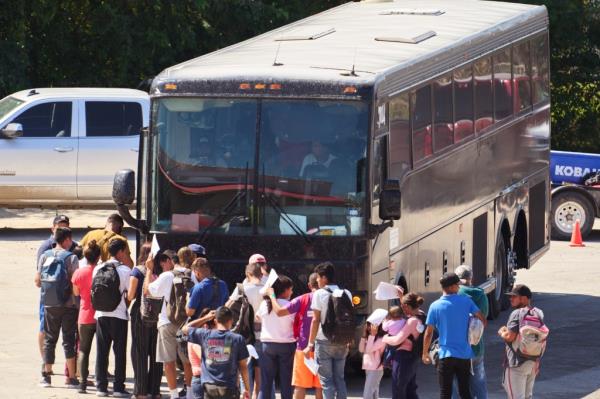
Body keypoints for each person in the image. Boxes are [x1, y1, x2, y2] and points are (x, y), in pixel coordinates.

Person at [422, 272, 487, 399]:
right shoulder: (466, 302)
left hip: (445, 356)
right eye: (457, 285)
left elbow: (429, 332)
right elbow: (483, 321)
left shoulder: (434, 306)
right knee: (465, 392)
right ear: (451, 287)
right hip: (464, 355)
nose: (459, 288)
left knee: (445, 393)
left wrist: (424, 353)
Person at [264, 273, 322, 399]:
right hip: (323, 347)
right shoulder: (328, 297)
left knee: (300, 385)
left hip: (304, 348)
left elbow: (279, 312)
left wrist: (271, 295)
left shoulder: (302, 299)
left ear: (309, 285)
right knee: (320, 386)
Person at [144, 252, 193, 399]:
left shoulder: (166, 276)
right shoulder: (191, 275)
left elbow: (148, 291)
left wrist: (148, 270)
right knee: (187, 362)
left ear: (170, 261)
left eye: (163, 263)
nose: (162, 266)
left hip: (166, 322)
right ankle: (190, 394)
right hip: (186, 323)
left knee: (169, 361)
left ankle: (173, 395)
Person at [35, 226, 80, 388]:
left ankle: (46, 376)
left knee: (49, 339)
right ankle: (72, 378)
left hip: (49, 304)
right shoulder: (71, 258)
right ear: (67, 239)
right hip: (68, 305)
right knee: (68, 340)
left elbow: (38, 281)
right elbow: (75, 284)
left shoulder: (45, 256)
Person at [305, 262, 353, 399]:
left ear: (324, 277)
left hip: (323, 340)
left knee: (327, 381)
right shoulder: (347, 293)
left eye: (318, 278)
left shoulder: (319, 294)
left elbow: (315, 320)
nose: (317, 280)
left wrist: (310, 344)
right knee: (340, 379)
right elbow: (349, 318)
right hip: (342, 341)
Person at [182, 306, 251, 399]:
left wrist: (205, 318)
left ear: (215, 321)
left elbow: (185, 329)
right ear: (231, 321)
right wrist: (246, 388)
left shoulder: (204, 334)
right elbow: (243, 367)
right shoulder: (238, 339)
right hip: (229, 387)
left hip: (209, 387)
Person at [93, 238, 132, 397]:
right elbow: (130, 294)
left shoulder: (98, 268)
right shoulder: (125, 270)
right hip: (119, 315)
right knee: (119, 352)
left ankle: (101, 387)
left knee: (101, 351)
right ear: (121, 251)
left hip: (101, 314)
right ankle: (118, 388)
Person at [129, 243, 163, 399]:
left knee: (140, 352)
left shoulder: (138, 271)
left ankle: (141, 392)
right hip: (158, 314)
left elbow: (130, 295)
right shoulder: (161, 272)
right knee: (156, 352)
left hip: (140, 313)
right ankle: (155, 390)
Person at [226, 263, 265, 399]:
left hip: (244, 334)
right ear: (261, 274)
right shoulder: (266, 289)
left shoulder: (242, 289)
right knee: (260, 371)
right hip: (263, 334)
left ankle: (246, 395)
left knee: (244, 371)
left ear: (248, 274)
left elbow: (227, 307)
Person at [498, 284, 545, 399]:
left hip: (516, 363)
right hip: (532, 363)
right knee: (527, 397)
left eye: (514, 296)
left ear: (524, 298)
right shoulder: (538, 313)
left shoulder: (517, 313)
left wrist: (502, 332)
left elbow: (510, 337)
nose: (511, 299)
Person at [452, 265, 489, 399]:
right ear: (471, 278)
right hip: (476, 347)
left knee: (456, 386)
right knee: (479, 385)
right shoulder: (481, 295)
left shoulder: (454, 293)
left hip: (457, 349)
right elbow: (484, 317)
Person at [257, 276, 296, 399]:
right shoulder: (290, 305)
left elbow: (258, 317)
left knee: (266, 382)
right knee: (286, 381)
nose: (292, 292)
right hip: (286, 345)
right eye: (290, 289)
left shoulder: (265, 304)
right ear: (285, 290)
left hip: (267, 345)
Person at [71, 240, 101, 393]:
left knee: (83, 350)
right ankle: (101, 383)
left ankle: (82, 383)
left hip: (84, 315)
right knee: (102, 350)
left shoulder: (79, 272)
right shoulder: (102, 271)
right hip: (101, 316)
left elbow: (76, 293)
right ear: (98, 256)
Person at [383, 293, 426, 399]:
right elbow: (410, 306)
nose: (401, 309)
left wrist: (385, 338)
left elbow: (397, 340)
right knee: (410, 390)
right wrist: (402, 297)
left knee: (399, 389)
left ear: (407, 306)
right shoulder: (422, 315)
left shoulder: (412, 321)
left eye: (402, 306)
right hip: (414, 357)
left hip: (403, 358)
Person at [189, 308, 217, 399]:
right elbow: (207, 357)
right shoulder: (196, 338)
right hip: (200, 380)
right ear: (206, 326)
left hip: (209, 379)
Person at [359, 321, 386, 399]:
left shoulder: (381, 339)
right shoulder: (370, 337)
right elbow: (361, 350)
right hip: (369, 368)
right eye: (368, 325)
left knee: (367, 394)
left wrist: (372, 335)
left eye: (371, 325)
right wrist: (364, 336)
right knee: (373, 394)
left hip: (376, 369)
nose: (369, 327)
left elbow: (369, 350)